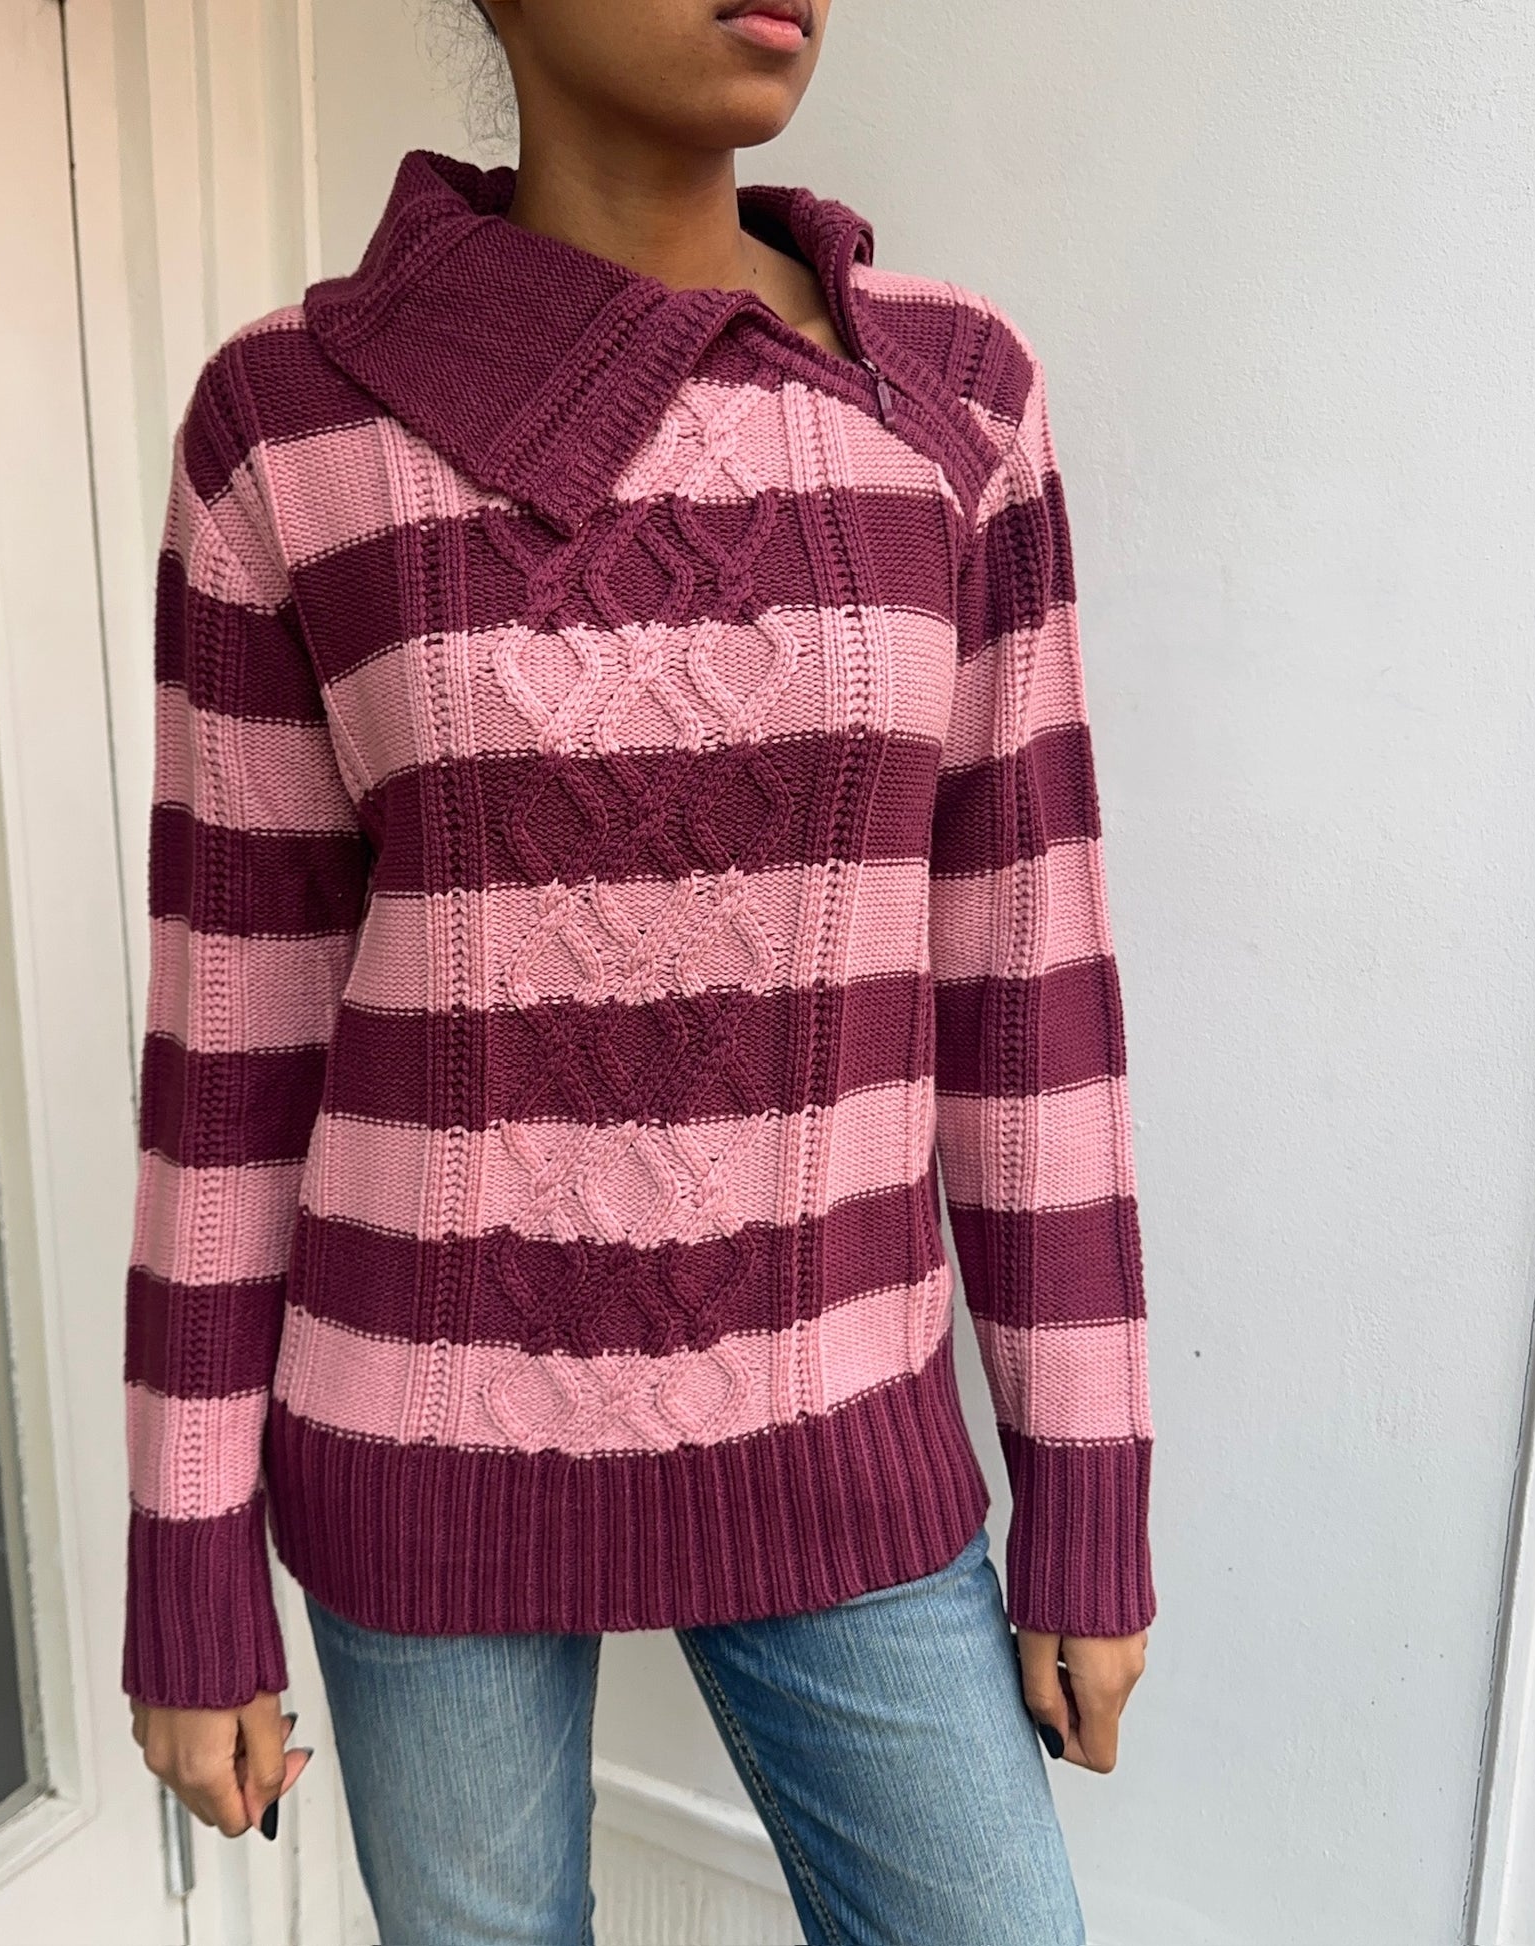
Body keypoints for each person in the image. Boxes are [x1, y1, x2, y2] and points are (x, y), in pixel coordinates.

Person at [123, 1, 1154, 1938]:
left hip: (839, 1425)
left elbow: (1028, 991)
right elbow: (228, 1051)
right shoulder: (287, 426)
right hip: (420, 1451)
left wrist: (1084, 1485)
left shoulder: (949, 401)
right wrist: (186, 1559)